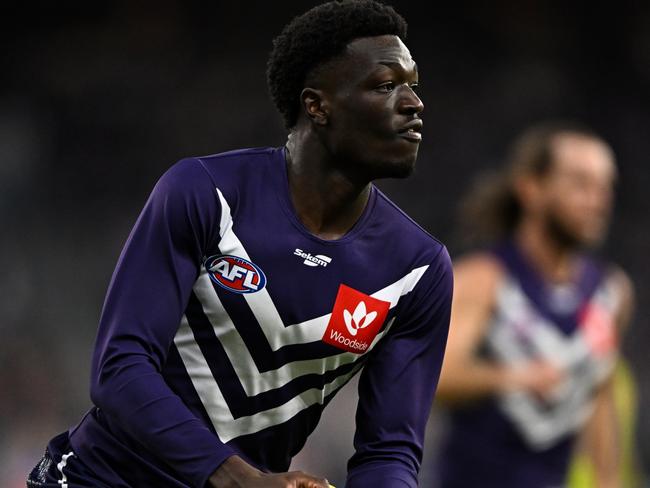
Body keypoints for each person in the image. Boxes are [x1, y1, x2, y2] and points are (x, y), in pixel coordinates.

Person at [27, 1, 453, 487]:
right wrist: (237, 479)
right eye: (385, 85)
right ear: (317, 105)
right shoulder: (205, 192)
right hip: (102, 479)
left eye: (413, 86)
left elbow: (389, 451)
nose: (414, 102)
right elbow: (120, 370)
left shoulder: (417, 269)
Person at [433, 121, 635, 488]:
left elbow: (600, 396)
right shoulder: (484, 280)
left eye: (606, 186)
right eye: (581, 183)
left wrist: (608, 480)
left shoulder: (612, 293)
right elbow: (433, 376)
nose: (598, 199)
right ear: (531, 188)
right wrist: (510, 377)